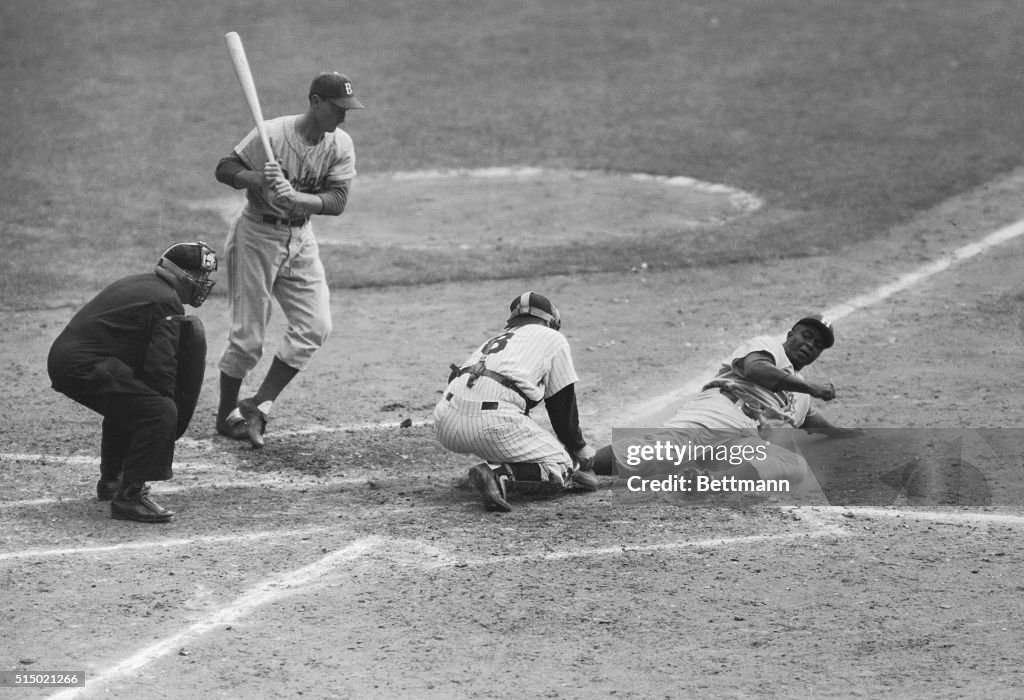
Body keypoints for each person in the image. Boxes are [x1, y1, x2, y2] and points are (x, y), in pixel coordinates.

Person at [213, 71, 364, 448]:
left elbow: (337, 201)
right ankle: (225, 414)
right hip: (257, 236)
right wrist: (258, 180)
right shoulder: (273, 133)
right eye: (337, 108)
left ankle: (258, 404)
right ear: (315, 102)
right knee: (248, 339)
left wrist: (300, 200)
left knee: (315, 325)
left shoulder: (340, 144)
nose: (343, 117)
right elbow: (224, 168)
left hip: (301, 238)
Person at [590, 314, 860, 494]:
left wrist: (840, 433)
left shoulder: (801, 395)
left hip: (744, 438)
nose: (809, 345)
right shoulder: (768, 347)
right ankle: (575, 466)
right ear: (790, 334)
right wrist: (810, 386)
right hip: (716, 417)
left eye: (817, 344)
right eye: (806, 336)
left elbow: (811, 420)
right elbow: (756, 370)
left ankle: (707, 483)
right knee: (662, 451)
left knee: (790, 463)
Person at [47, 242, 217, 523]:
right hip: (84, 365)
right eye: (199, 275)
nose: (202, 283)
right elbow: (162, 365)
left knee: (132, 401)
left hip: (70, 360)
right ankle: (130, 496)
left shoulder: (147, 285)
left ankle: (112, 481)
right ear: (181, 274)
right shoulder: (167, 302)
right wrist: (164, 409)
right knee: (157, 410)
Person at [434, 292, 598, 512]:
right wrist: (578, 447)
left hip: (445, 421)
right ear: (550, 320)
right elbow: (561, 404)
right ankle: (497, 473)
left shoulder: (495, 341)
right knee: (561, 466)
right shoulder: (553, 339)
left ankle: (498, 467)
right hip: (490, 425)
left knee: (504, 427)